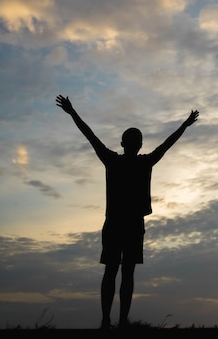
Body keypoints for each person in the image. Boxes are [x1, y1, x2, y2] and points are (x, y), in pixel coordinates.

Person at [56, 94, 199, 329]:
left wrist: (72, 112)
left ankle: (109, 321)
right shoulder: (140, 161)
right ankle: (118, 321)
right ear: (135, 144)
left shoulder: (116, 160)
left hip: (118, 223)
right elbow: (167, 144)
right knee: (124, 272)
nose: (135, 143)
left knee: (113, 271)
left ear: (125, 144)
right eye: (135, 140)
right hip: (128, 224)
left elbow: (90, 135)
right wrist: (184, 124)